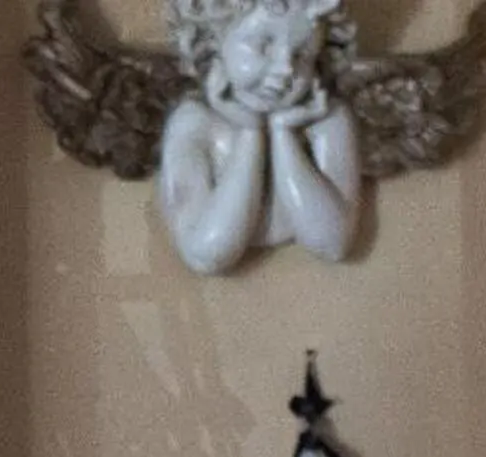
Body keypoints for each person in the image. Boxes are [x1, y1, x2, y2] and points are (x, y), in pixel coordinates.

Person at [154, 0, 362, 275]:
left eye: (302, 55)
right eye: (263, 45)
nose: (286, 68)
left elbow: (332, 243)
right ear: (214, 41)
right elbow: (208, 254)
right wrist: (251, 131)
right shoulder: (195, 121)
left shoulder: (326, 119)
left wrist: (282, 133)